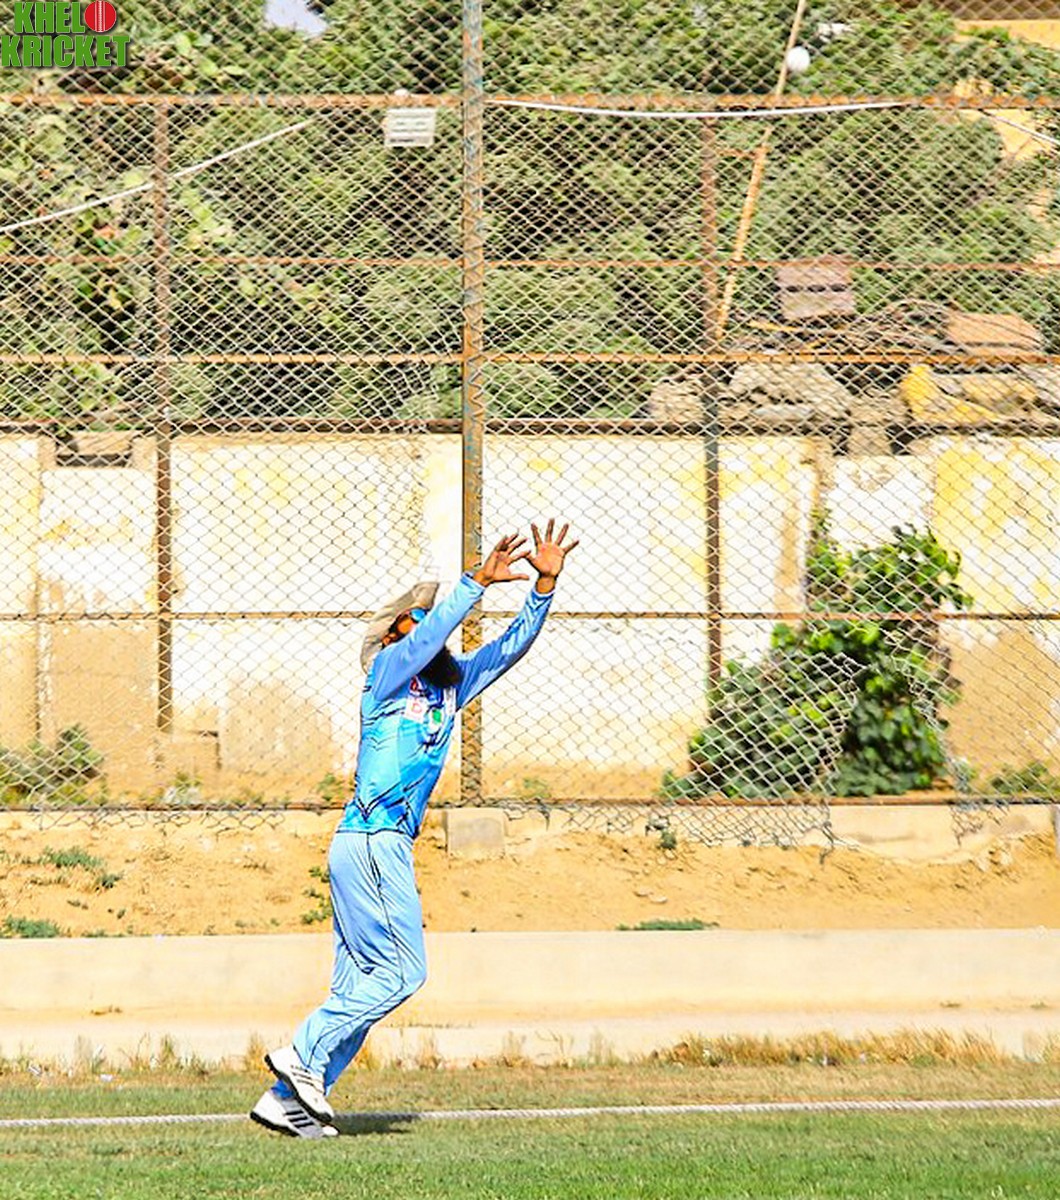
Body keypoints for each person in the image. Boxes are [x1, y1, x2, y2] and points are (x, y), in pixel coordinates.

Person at [251, 519, 579, 1138]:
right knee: (404, 973)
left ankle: (286, 1101)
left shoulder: (450, 691)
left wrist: (543, 588)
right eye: (415, 621)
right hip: (371, 841)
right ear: (394, 636)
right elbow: (431, 635)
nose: (430, 630)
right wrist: (474, 583)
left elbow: (509, 649)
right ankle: (302, 1053)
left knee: (359, 985)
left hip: (379, 847)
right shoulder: (384, 679)